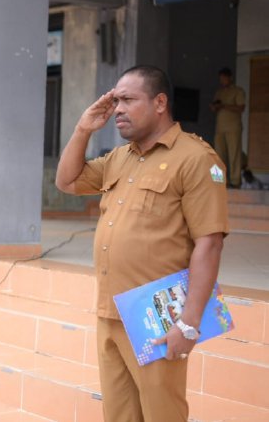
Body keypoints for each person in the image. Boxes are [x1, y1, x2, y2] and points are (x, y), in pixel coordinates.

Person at [56, 65, 228, 422]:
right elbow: (67, 181)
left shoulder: (195, 159)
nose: (117, 109)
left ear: (160, 102)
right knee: (119, 415)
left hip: (158, 315)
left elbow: (208, 244)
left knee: (161, 413)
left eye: (128, 100)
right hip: (111, 311)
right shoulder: (121, 157)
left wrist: (189, 323)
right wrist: (82, 129)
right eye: (115, 100)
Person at [210, 67, 245, 188]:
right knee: (218, 155)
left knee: (234, 154)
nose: (222, 81)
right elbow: (214, 108)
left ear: (230, 78)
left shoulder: (238, 91)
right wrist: (215, 106)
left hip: (233, 127)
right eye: (221, 79)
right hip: (220, 128)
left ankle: (235, 181)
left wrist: (224, 105)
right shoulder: (219, 92)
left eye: (224, 78)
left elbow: (241, 108)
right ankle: (220, 181)